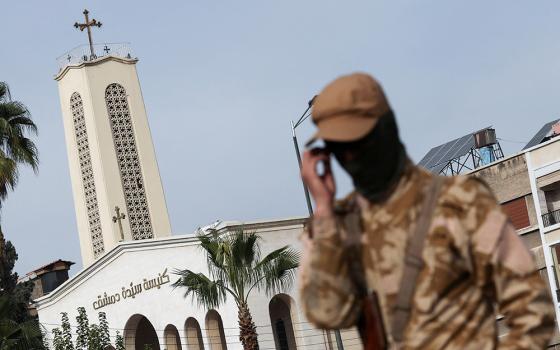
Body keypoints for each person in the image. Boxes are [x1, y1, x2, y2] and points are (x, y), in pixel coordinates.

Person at [298, 73, 555, 349]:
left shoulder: (459, 201)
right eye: (338, 146)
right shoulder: (345, 223)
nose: (349, 156)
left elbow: (534, 310)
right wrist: (323, 211)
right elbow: (326, 312)